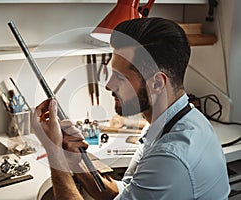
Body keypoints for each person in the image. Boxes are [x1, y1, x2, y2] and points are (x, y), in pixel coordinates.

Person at [32, 17, 230, 200]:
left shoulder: (170, 158)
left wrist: (54, 152)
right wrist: (72, 157)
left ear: (157, 84)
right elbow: (126, 192)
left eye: (120, 77)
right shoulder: (175, 120)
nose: (108, 85)